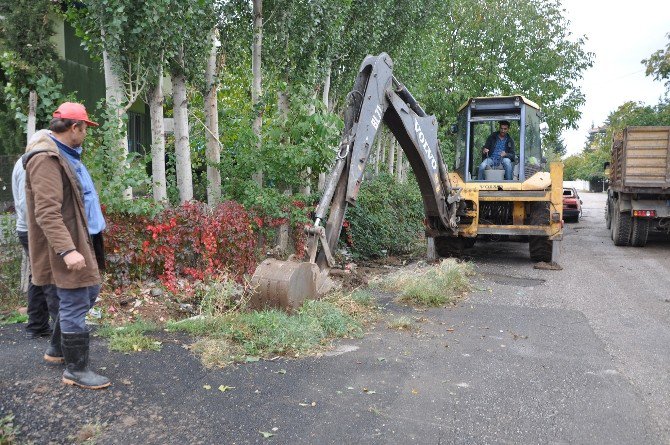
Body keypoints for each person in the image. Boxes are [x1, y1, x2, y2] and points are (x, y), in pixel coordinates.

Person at [24, 102, 110, 390]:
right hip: (69, 243)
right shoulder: (46, 159)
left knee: (89, 292)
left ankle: (57, 349)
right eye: (85, 128)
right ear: (75, 127)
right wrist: (67, 249)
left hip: (84, 238)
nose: (86, 134)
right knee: (74, 300)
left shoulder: (68, 154)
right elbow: (47, 212)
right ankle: (76, 370)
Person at [12, 130, 59, 339]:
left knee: (38, 275)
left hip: (27, 228)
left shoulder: (23, 161)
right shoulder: (32, 164)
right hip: (33, 229)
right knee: (47, 276)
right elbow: (25, 204)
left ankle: (37, 325)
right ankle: (56, 330)